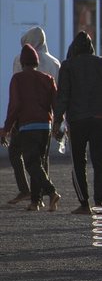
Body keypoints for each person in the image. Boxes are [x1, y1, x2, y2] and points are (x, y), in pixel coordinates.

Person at [52, 32, 102, 213]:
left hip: (77, 121)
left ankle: (84, 204)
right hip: (101, 120)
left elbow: (62, 97)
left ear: (74, 48)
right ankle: (99, 203)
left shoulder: (67, 66)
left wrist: (57, 122)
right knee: (100, 162)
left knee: (78, 162)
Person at [0, 44, 60, 211]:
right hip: (45, 126)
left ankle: (52, 191)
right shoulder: (48, 79)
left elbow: (15, 105)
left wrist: (6, 129)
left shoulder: (18, 79)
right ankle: (35, 201)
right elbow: (56, 103)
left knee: (31, 164)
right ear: (36, 62)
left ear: (22, 63)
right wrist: (57, 124)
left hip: (28, 126)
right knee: (39, 163)